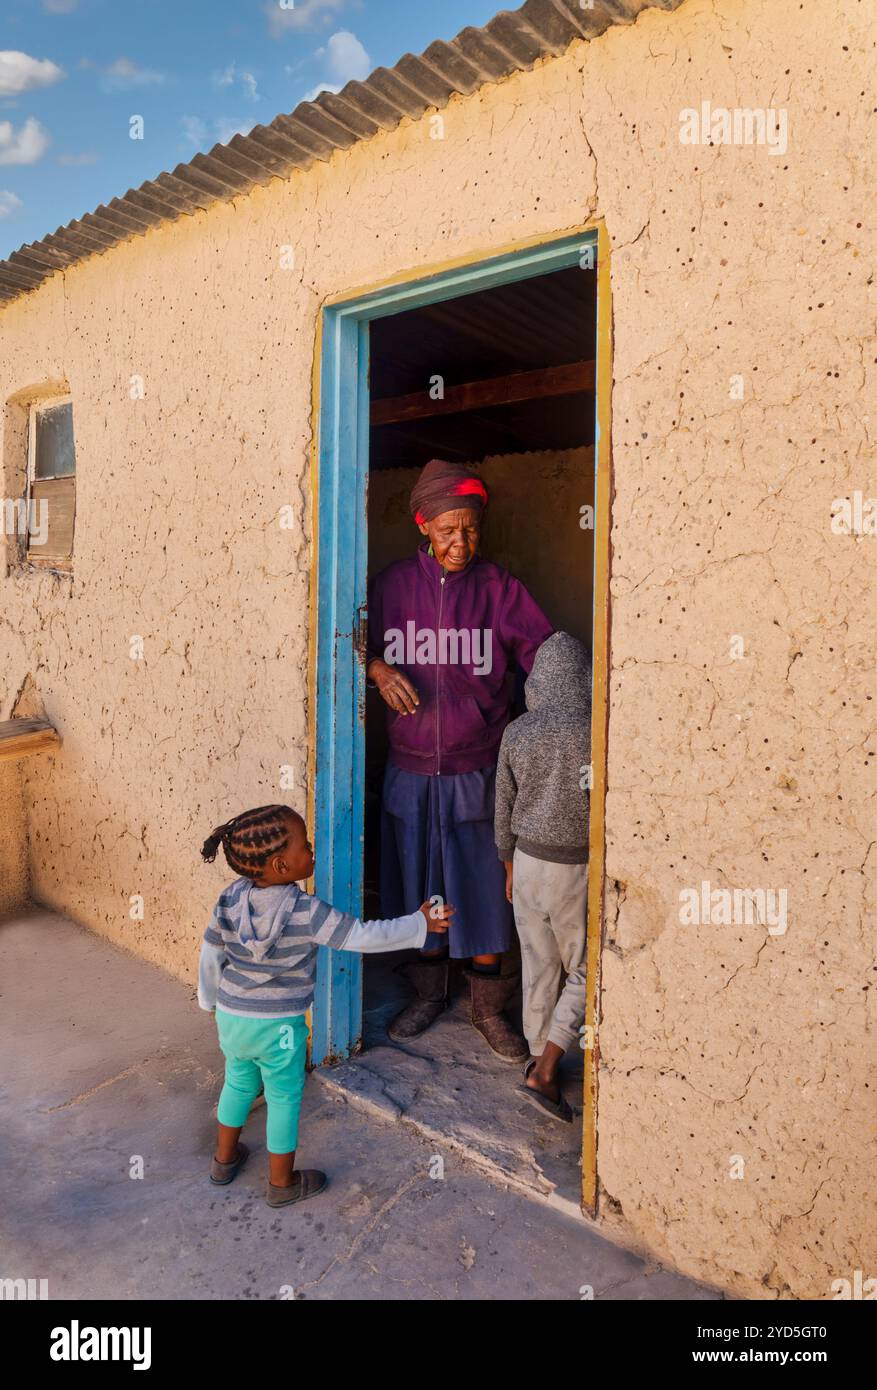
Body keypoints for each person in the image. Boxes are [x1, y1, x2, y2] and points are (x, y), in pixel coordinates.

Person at [367, 458, 553, 1060]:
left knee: (480, 888)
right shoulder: (391, 587)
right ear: (424, 525)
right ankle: (426, 991)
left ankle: (487, 1007)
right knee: (421, 881)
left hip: (481, 770)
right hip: (411, 770)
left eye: (471, 529)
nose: (460, 543)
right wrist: (375, 666)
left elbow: (546, 662)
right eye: (448, 530)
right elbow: (341, 637)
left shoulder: (501, 590)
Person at [198, 803, 453, 1205]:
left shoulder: (229, 899)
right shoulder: (305, 911)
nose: (312, 847)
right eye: (304, 844)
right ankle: (282, 1184)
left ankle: (223, 1161)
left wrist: (208, 999)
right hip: (278, 1025)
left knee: (238, 1082)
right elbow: (363, 936)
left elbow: (211, 952)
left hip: (232, 1016)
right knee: (283, 1096)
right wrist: (418, 923)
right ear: (282, 866)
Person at [494, 632, 591, 1122]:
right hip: (574, 868)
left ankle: (536, 1051)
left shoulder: (518, 731)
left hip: (527, 865)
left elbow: (503, 805)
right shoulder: (596, 731)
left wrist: (508, 862)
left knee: (538, 963)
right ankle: (548, 1067)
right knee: (587, 969)